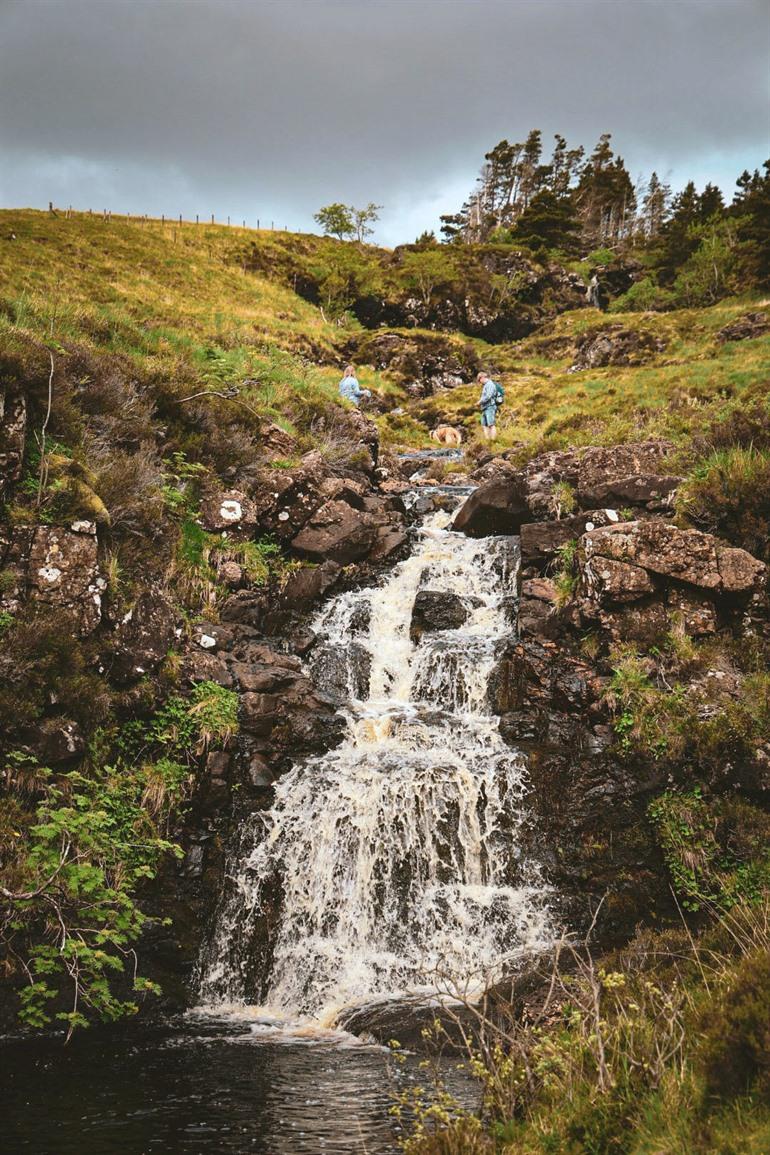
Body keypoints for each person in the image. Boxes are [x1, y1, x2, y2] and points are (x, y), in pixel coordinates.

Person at [477, 371, 501, 441]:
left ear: (482, 377)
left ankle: (493, 440)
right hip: (484, 408)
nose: (479, 382)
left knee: (491, 424)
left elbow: (488, 396)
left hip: (490, 407)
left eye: (479, 380)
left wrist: (480, 401)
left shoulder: (490, 384)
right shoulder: (485, 385)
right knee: (484, 425)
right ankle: (487, 440)